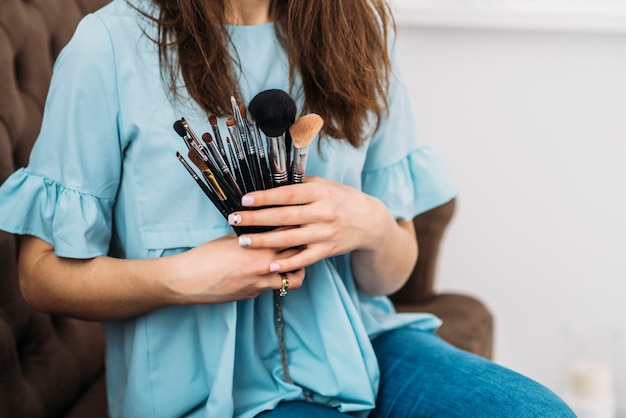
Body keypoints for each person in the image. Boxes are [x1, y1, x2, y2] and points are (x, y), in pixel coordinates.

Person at [0, 0, 575, 416]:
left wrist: (370, 225)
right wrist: (179, 278)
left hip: (362, 347)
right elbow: (39, 277)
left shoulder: (359, 26)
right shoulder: (109, 45)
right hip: (206, 390)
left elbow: (390, 274)